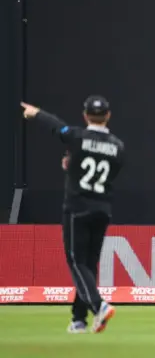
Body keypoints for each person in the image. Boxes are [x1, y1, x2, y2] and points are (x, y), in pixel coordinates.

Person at [21, 96, 125, 334]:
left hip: (78, 207)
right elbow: (110, 172)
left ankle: (98, 306)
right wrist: (74, 164)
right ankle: (79, 320)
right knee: (88, 265)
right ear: (108, 115)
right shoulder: (118, 146)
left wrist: (36, 113)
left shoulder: (78, 137)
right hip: (103, 209)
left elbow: (57, 126)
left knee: (76, 262)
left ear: (85, 115)